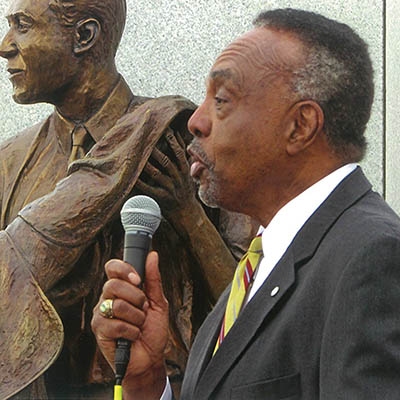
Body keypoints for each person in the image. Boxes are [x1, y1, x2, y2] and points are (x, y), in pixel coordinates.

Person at [91, 7, 400, 400]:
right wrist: (146, 382)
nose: (196, 121)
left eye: (221, 100)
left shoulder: (372, 259)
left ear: (300, 126)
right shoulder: (260, 265)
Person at [0, 0, 256, 398]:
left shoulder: (181, 139)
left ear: (84, 36)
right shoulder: (10, 160)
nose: (5, 45)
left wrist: (190, 219)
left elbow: (255, 306)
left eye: (23, 26)